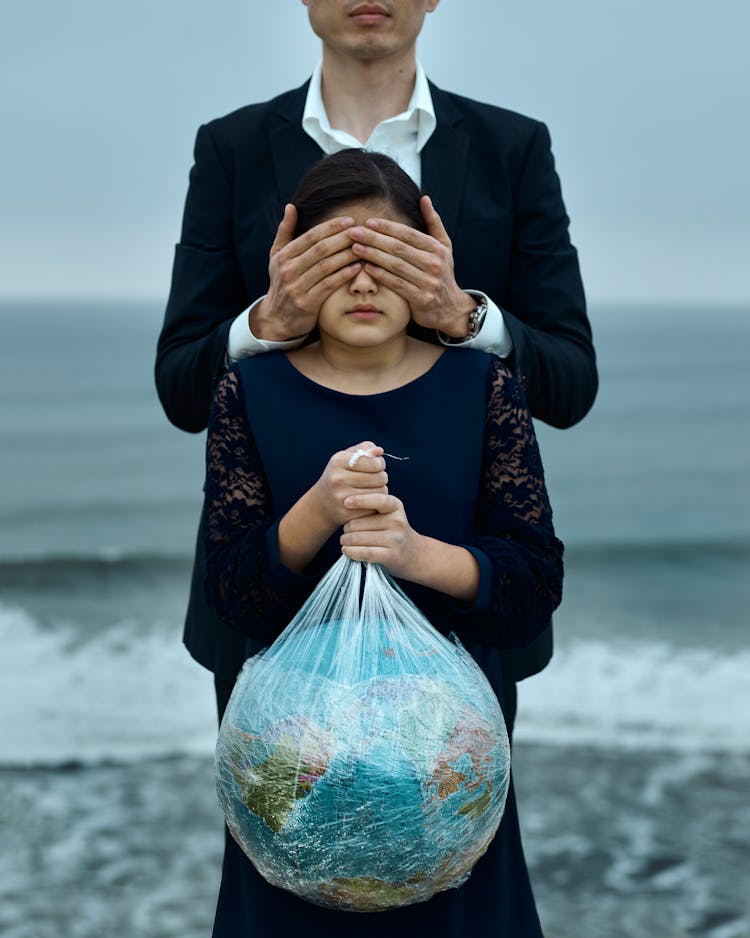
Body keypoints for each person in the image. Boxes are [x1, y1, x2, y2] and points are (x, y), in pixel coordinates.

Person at [156, 1, 595, 730]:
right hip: (269, 623)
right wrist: (270, 321)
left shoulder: (509, 147)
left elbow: (571, 382)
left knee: (453, 825)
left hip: (461, 626)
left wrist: (464, 316)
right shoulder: (231, 147)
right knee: (281, 825)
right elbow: (180, 389)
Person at [203, 146, 563, 937]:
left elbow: (533, 582)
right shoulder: (249, 391)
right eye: (336, 259)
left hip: (440, 762)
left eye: (388, 258)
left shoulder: (484, 385)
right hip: (297, 766)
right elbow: (233, 594)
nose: (364, 283)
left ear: (431, 260)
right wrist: (316, 513)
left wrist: (414, 555)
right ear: (290, 264)